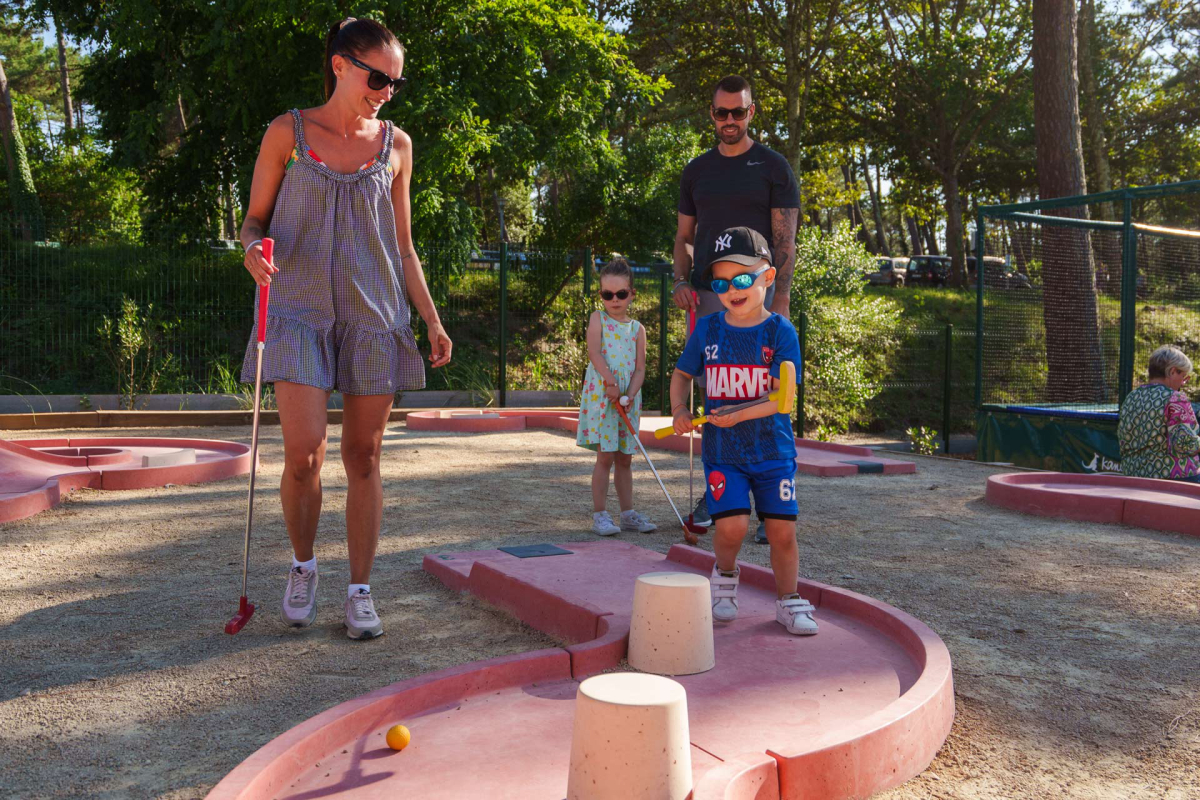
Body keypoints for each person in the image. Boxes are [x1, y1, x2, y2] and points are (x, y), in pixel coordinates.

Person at [239, 18, 452, 640]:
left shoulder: (397, 147)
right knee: (304, 456)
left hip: (374, 314)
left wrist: (432, 320)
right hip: (297, 310)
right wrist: (250, 251)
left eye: (396, 81)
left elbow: (404, 249)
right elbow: (253, 222)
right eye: (378, 76)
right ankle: (304, 566)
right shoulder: (288, 132)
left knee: (364, 455)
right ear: (340, 64)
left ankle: (359, 590)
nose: (387, 90)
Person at [672, 74, 800, 541]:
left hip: (760, 296)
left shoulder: (773, 167)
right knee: (719, 388)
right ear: (712, 114)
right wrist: (681, 279)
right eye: (722, 112)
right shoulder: (696, 170)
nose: (730, 120)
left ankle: (771, 505)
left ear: (752, 112)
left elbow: (785, 241)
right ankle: (719, 490)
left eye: (738, 112)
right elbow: (685, 237)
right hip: (711, 295)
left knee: (766, 389)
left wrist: (779, 300)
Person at [670, 226, 815, 635]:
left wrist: (738, 413)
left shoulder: (780, 333)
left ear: (768, 278)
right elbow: (681, 374)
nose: (732, 288)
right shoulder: (709, 329)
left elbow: (780, 399)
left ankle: (788, 600)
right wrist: (680, 407)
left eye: (743, 278)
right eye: (722, 281)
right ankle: (725, 579)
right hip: (723, 451)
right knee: (730, 527)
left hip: (772, 451)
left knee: (781, 531)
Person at [577, 259, 657, 536]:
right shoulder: (597, 319)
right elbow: (595, 353)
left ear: (632, 293)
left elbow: (640, 368)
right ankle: (600, 515)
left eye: (621, 294)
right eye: (607, 294)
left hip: (627, 399)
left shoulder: (638, 330)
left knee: (625, 458)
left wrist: (630, 393)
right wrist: (611, 383)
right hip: (603, 395)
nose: (614, 299)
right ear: (601, 295)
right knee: (605, 456)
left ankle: (628, 514)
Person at [1118, 345, 1199, 482]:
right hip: (1170, 476)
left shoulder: (1131, 397)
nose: (1183, 383)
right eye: (1183, 376)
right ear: (1172, 372)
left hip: (1132, 473)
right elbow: (1184, 445)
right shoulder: (1175, 398)